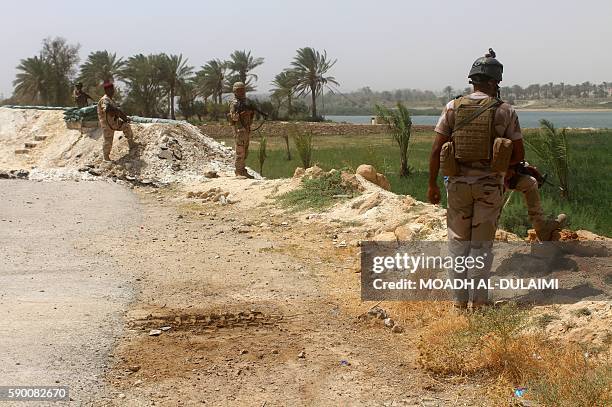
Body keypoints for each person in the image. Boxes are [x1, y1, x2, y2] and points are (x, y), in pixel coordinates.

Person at [427, 49, 522, 310]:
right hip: (489, 188)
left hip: (457, 186)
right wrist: (505, 167)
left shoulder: (452, 107)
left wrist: (432, 184)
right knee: (481, 247)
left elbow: (436, 150)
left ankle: (459, 305)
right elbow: (519, 154)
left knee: (458, 243)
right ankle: (479, 304)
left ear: (473, 81)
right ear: (494, 82)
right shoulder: (505, 111)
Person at [96, 81, 138, 162]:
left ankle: (131, 143)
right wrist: (117, 111)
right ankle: (106, 158)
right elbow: (108, 108)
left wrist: (123, 117)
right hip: (107, 125)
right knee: (108, 141)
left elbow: (116, 111)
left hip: (114, 122)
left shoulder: (110, 99)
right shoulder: (105, 100)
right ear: (106, 90)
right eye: (110, 90)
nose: (112, 91)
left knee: (126, 126)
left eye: (112, 89)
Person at [228, 82, 256, 178]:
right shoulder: (234, 103)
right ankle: (239, 171)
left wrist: (250, 113)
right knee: (240, 151)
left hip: (246, 128)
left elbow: (251, 115)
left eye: (242, 89)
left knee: (245, 150)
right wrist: (243, 114)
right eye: (239, 90)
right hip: (239, 130)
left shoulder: (246, 101)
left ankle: (243, 170)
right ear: (235, 91)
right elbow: (234, 118)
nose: (241, 92)